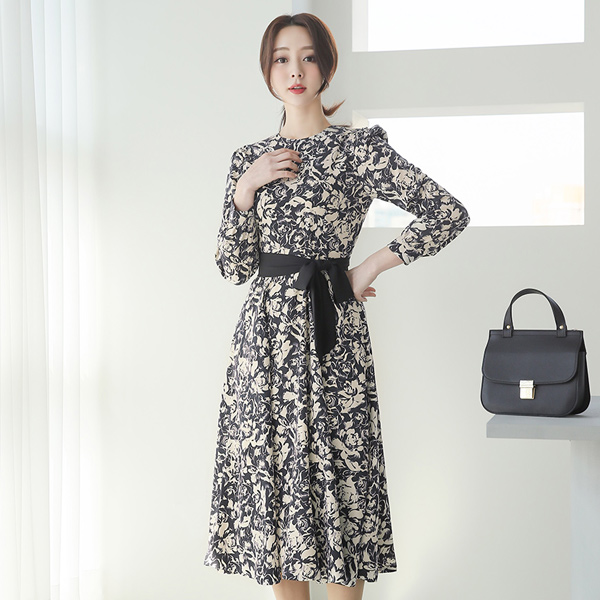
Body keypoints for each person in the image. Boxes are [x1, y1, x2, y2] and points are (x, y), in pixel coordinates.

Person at [203, 12, 470, 600]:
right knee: (277, 492)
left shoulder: (356, 149)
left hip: (331, 338)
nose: (295, 70)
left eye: (308, 57)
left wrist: (367, 267)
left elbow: (447, 212)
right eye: (281, 58)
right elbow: (233, 267)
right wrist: (246, 189)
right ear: (267, 71)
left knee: (341, 483)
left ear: (326, 67)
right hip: (264, 346)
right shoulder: (249, 159)